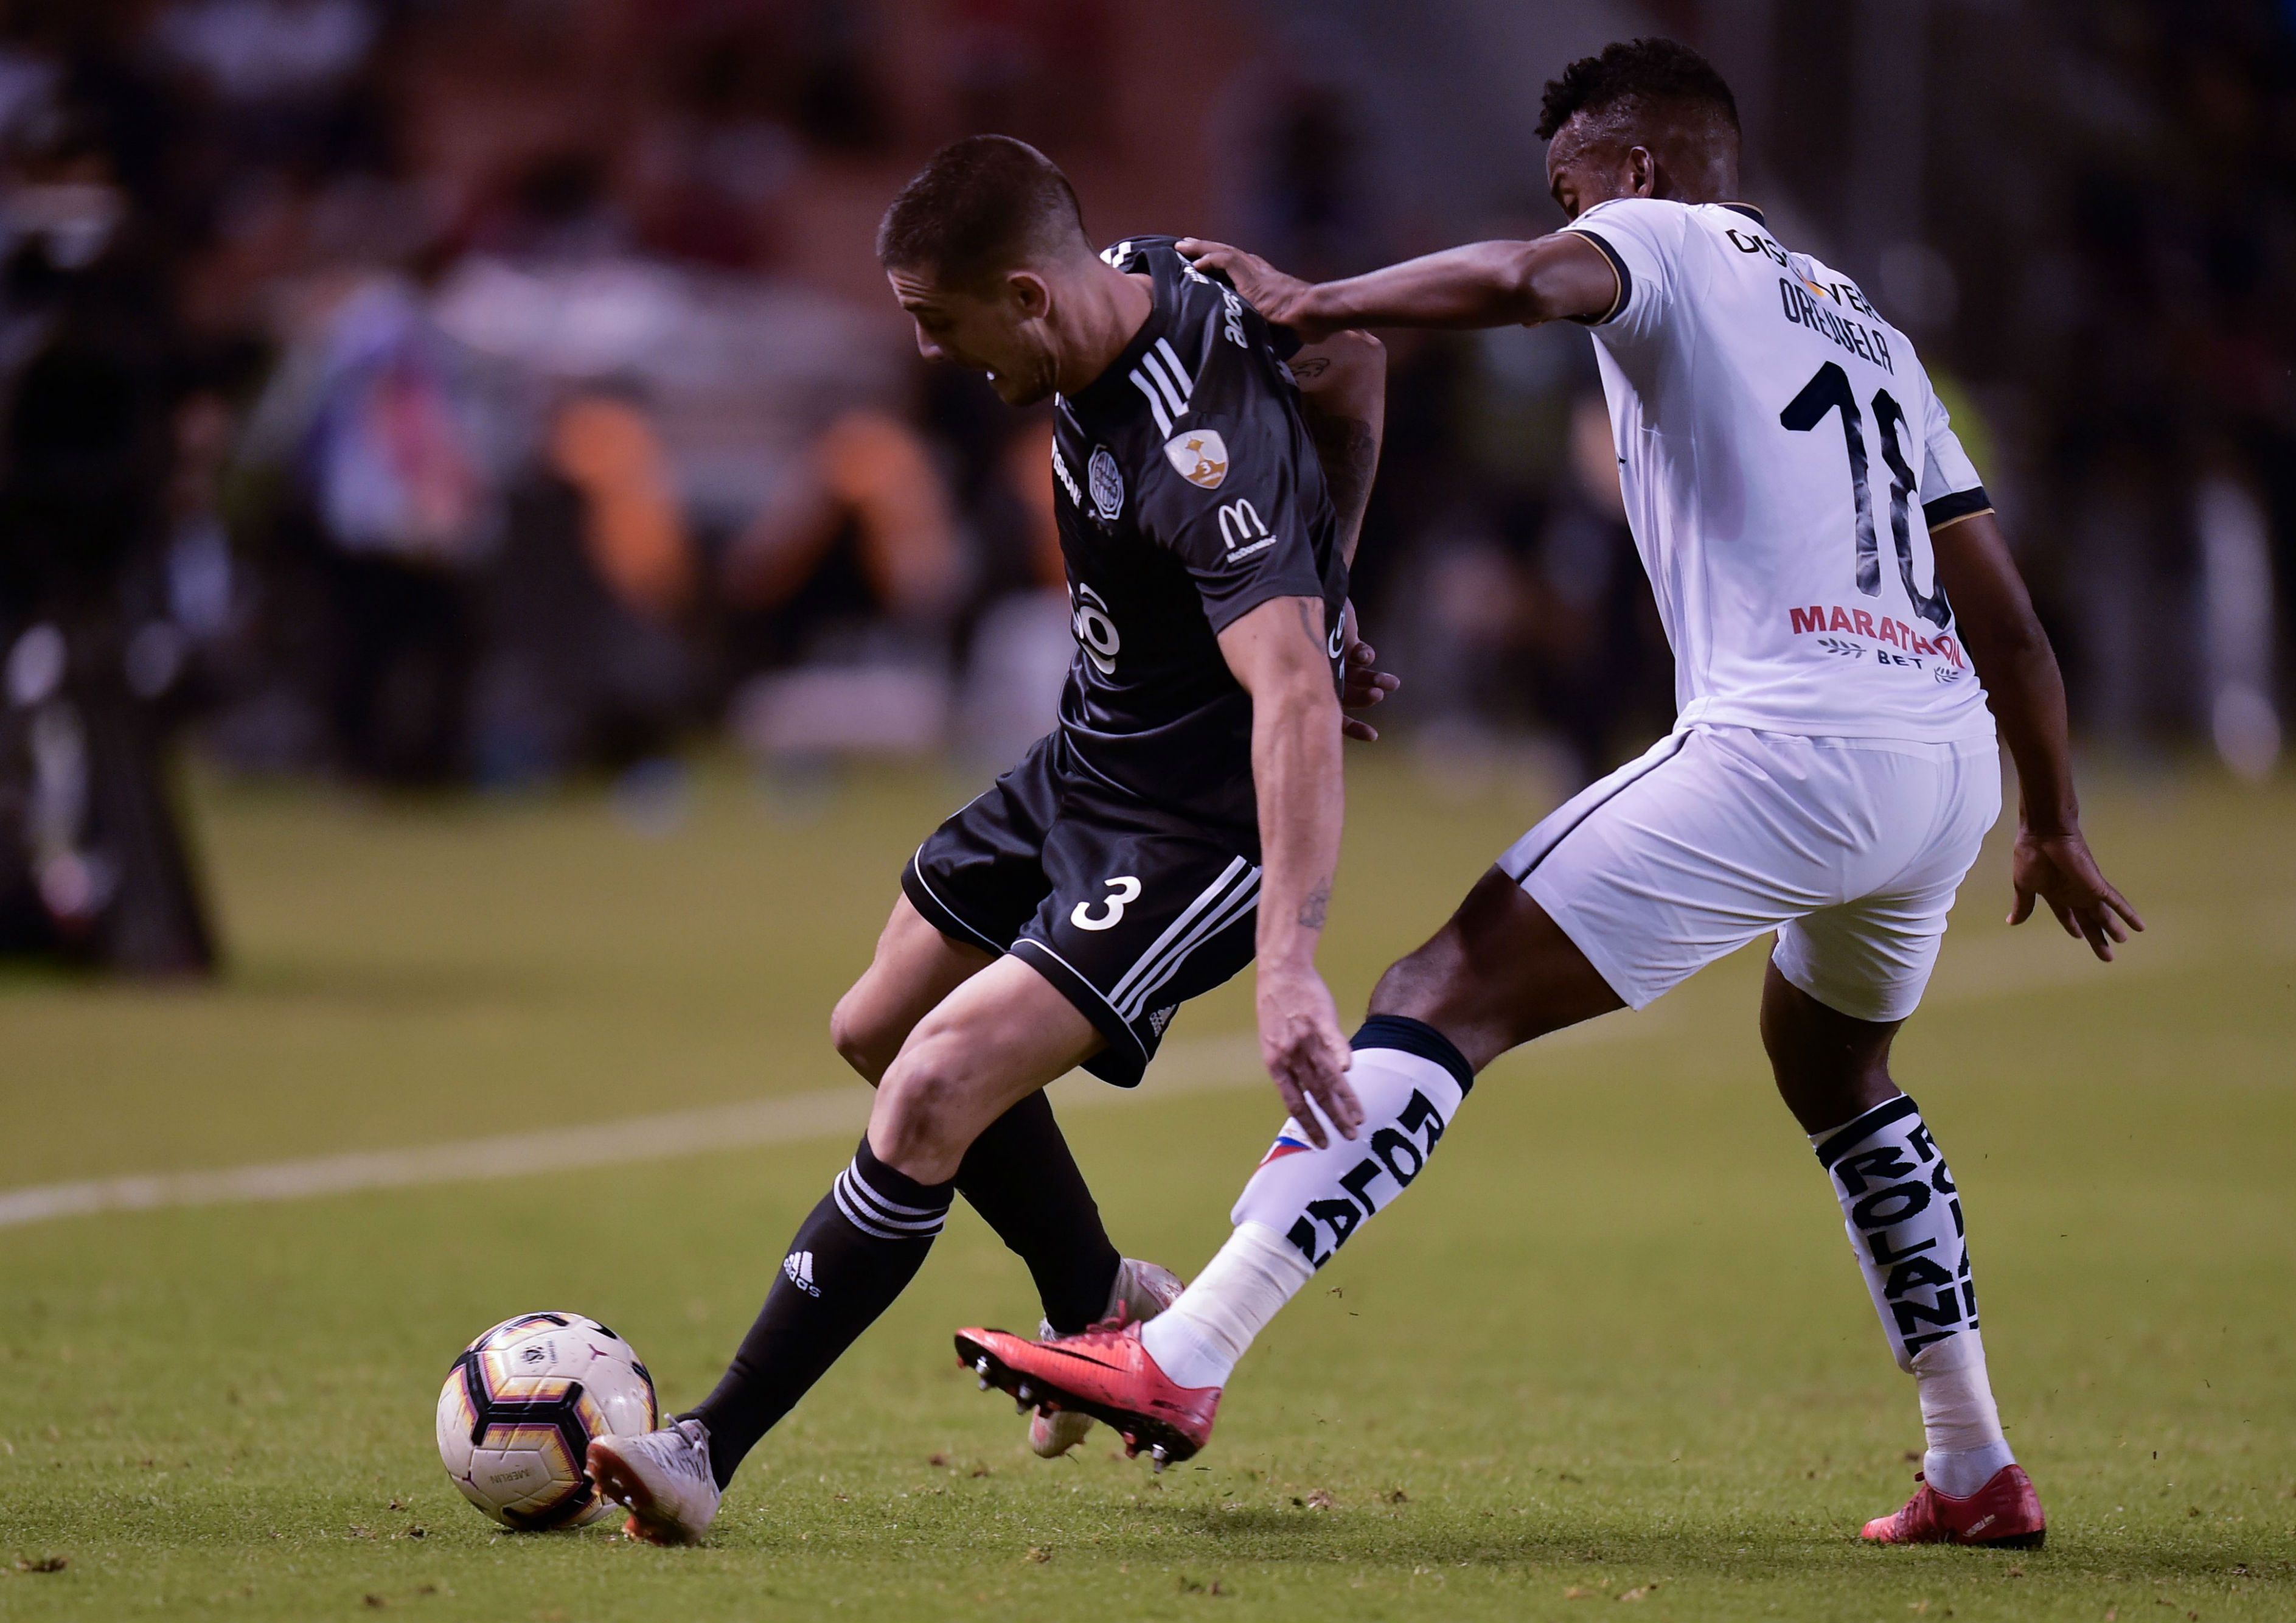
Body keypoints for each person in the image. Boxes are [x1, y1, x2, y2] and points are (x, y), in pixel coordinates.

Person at [951, 40, 2141, 1552]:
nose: (1568, 215)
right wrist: (2048, 813)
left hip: (1790, 742)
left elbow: (1525, 279)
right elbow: (2011, 622)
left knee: (1440, 987)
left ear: (1632, 171)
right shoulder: (1868, 326)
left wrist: (1320, 299)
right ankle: (1971, 1459)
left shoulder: (1659, 234)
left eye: (1569, 185)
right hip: (1942, 761)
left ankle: (1178, 1355)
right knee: (1835, 1069)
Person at [585, 134, 1392, 1544]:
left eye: (938, 322)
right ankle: (1094, 1303)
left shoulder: (1191, 444)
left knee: (933, 1088)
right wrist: (1334, 569)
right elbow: (1353, 358)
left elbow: (1296, 696)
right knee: (875, 1024)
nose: (935, 353)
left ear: (1025, 296)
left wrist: (1289, 962)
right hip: (1080, 762)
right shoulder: (1157, 271)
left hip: (1191, 824)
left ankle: (705, 1446)